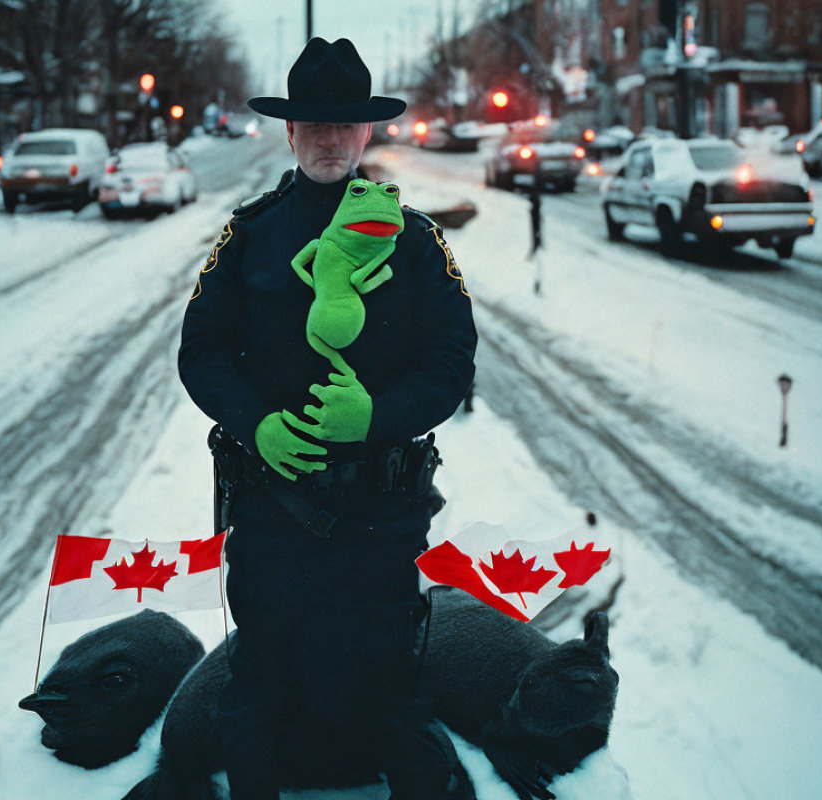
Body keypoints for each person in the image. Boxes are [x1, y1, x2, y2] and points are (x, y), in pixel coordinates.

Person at [178, 37, 477, 799]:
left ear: (367, 130)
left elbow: (451, 364)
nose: (330, 138)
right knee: (261, 677)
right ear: (290, 130)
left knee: (389, 676)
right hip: (273, 508)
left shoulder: (414, 240)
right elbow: (202, 352)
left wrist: (378, 415)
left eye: (345, 123)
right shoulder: (250, 234)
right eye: (314, 123)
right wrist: (256, 424)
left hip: (381, 512)